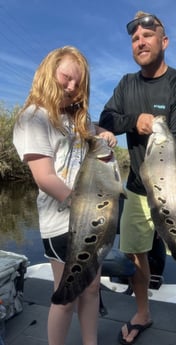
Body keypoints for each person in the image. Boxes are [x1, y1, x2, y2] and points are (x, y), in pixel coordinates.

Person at [99, 11, 176, 345]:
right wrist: (135, 121)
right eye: (135, 39)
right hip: (136, 189)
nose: (140, 42)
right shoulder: (125, 84)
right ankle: (142, 312)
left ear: (164, 42)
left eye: (147, 36)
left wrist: (157, 142)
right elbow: (107, 118)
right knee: (136, 254)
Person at [13, 46, 117, 345]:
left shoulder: (74, 118)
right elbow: (44, 178)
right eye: (66, 78)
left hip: (91, 221)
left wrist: (103, 133)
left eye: (78, 84)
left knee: (93, 288)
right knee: (66, 295)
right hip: (62, 223)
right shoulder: (33, 118)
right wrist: (83, 208)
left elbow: (86, 133)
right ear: (49, 73)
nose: (71, 87)